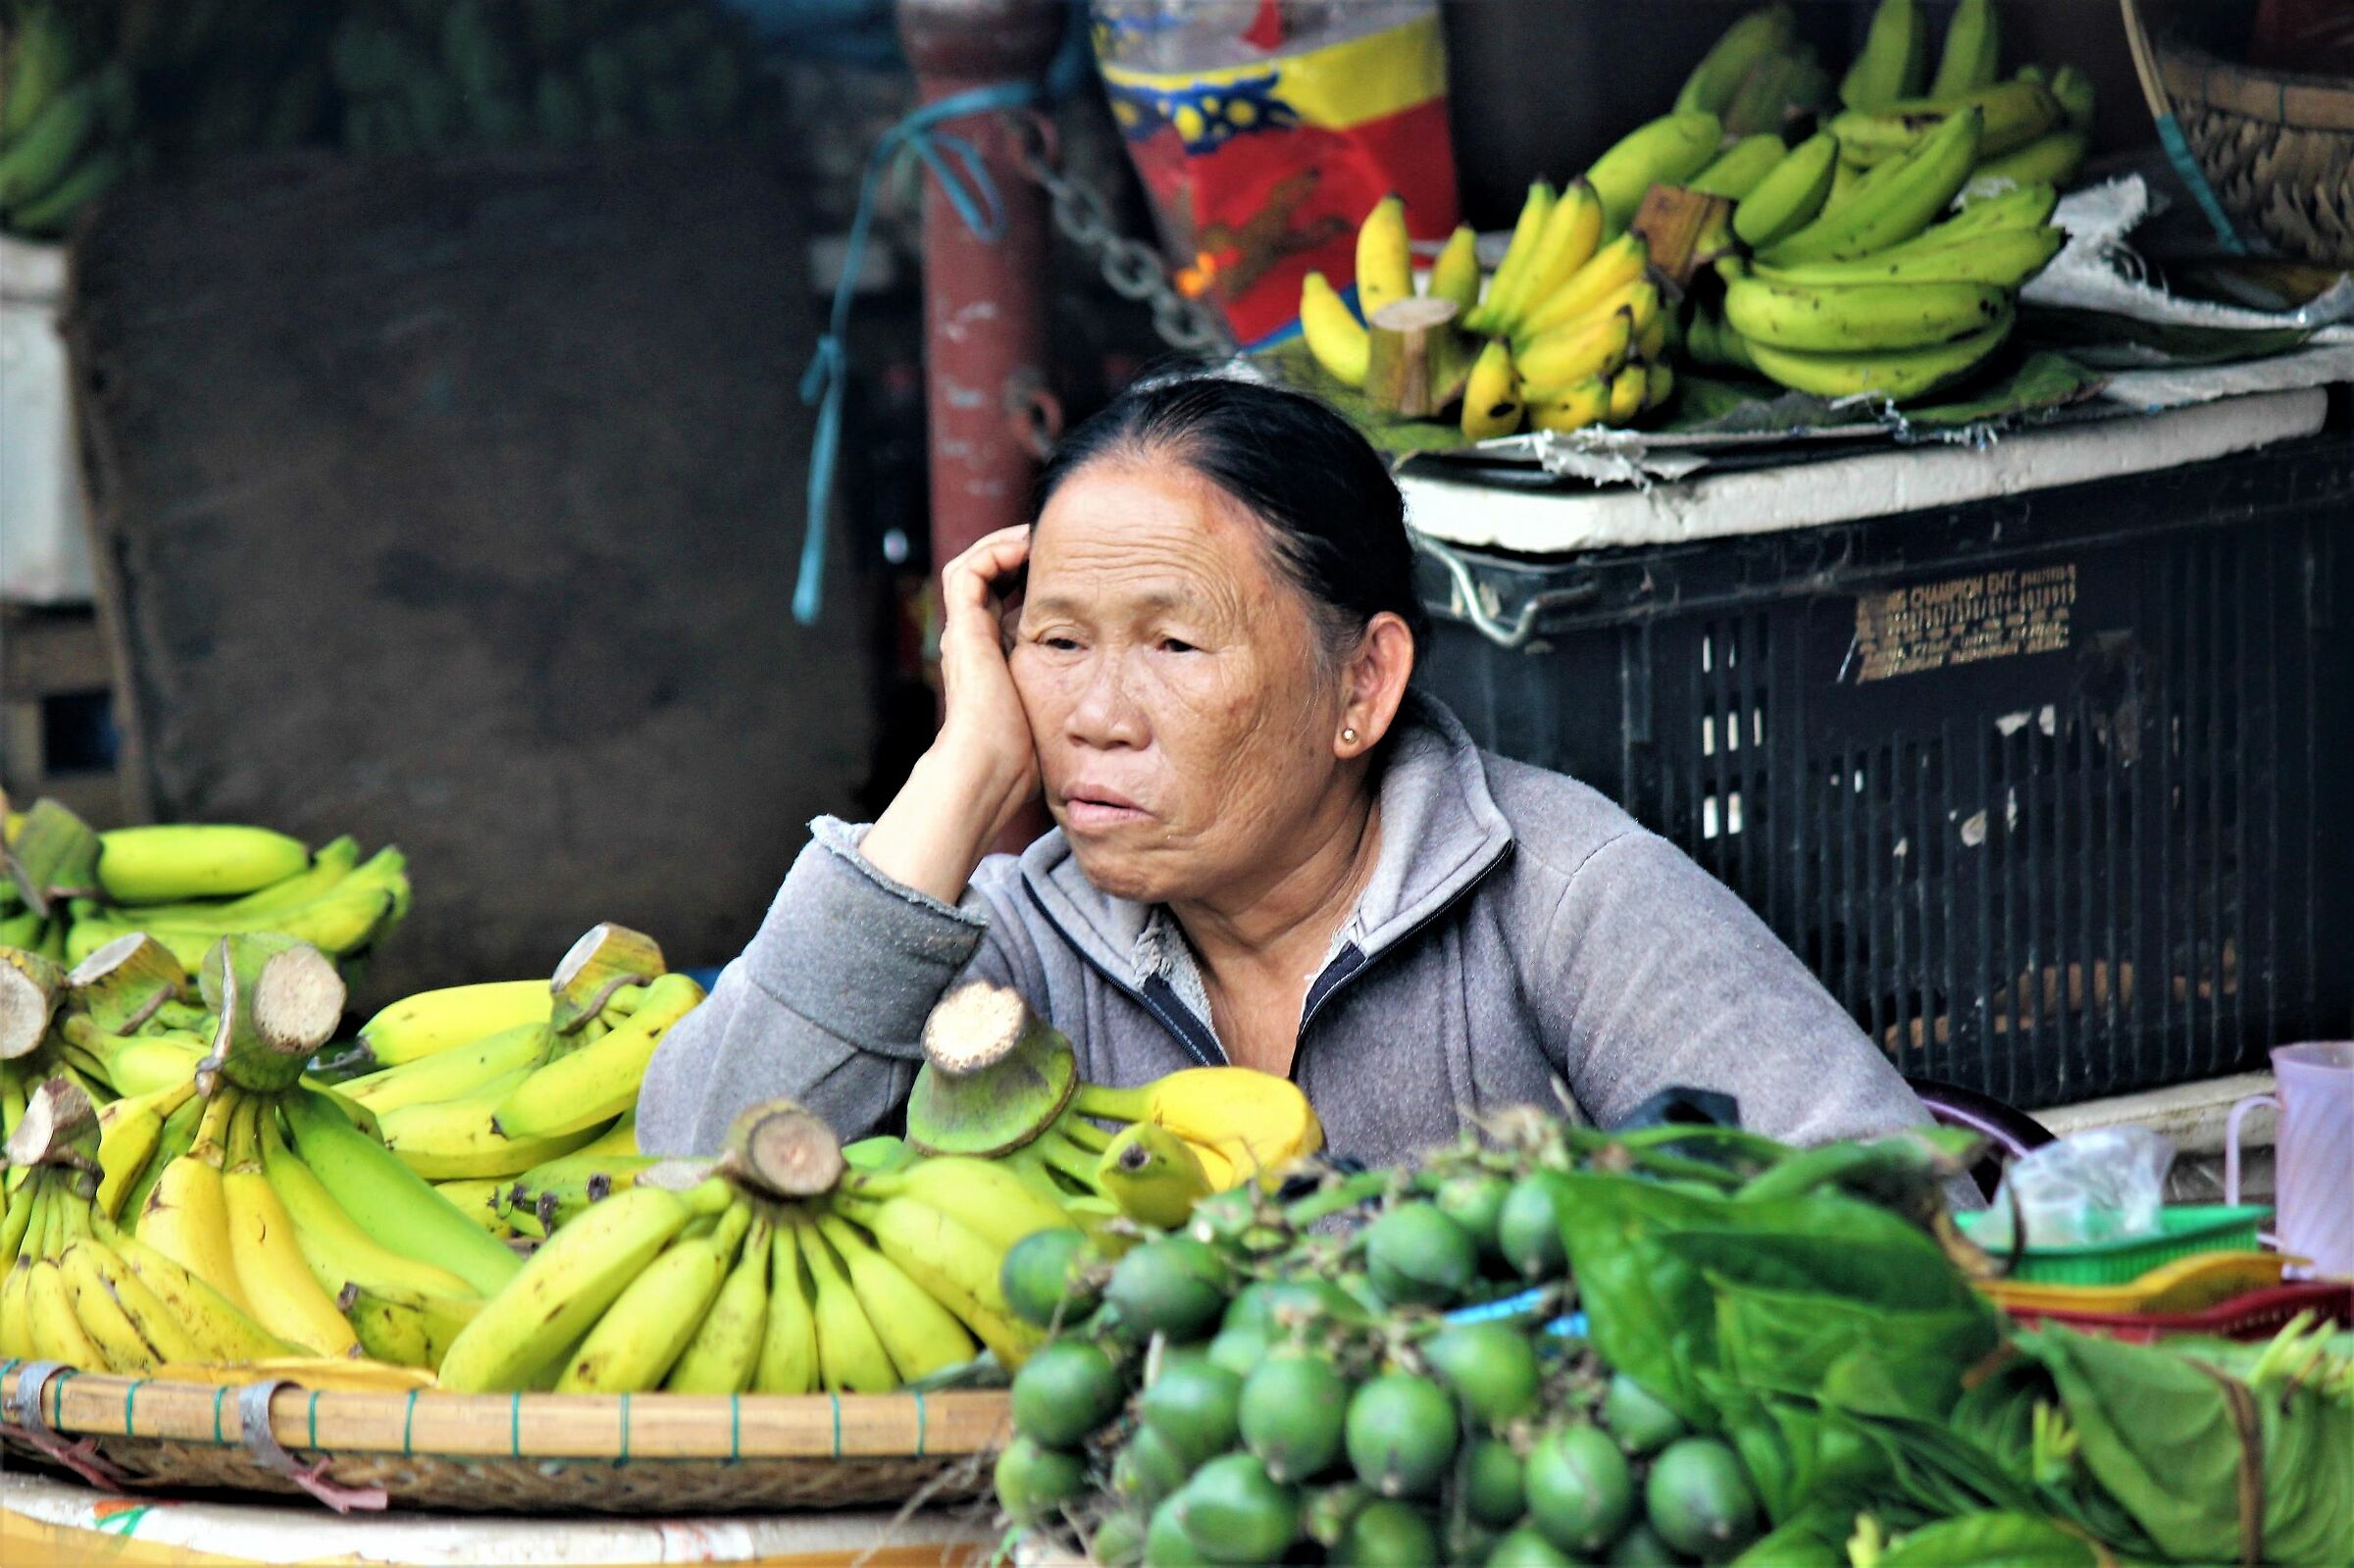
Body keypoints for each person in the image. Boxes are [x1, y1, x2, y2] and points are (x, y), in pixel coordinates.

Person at [639, 372, 1939, 1166]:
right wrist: (960, 775)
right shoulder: (1018, 955)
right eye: (1057, 643)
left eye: (1173, 642)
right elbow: (695, 1166)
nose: (1094, 713)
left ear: (1362, 685)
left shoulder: (1560, 893)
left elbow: (1881, 1193)